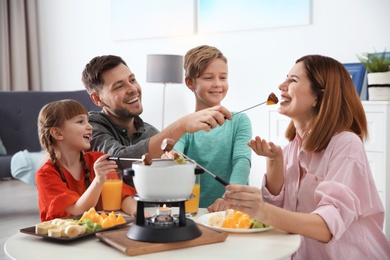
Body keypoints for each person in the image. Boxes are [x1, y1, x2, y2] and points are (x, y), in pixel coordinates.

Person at [223, 55, 390, 259]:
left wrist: (262, 210)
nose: (281, 85)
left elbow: (326, 227)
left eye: (293, 80)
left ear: (318, 97)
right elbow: (282, 216)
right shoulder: (292, 148)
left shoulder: (346, 145)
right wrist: (275, 161)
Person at [81, 55, 232, 163]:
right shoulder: (89, 128)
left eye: (132, 80)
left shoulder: (150, 132)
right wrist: (182, 125)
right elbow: (120, 159)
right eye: (119, 86)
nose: (133, 89)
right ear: (97, 99)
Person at [172, 45, 252, 212]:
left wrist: (228, 198)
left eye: (223, 78)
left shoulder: (239, 121)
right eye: (208, 78)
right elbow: (174, 157)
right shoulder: (183, 127)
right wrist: (171, 155)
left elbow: (242, 162)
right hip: (193, 212)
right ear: (190, 82)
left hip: (232, 210)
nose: (217, 84)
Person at [35, 99, 138, 222]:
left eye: (88, 121)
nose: (89, 127)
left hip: (97, 235)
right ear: (57, 133)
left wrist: (137, 212)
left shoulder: (96, 160)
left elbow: (121, 197)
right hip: (65, 239)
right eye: (80, 122)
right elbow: (77, 211)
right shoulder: (45, 175)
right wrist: (98, 180)